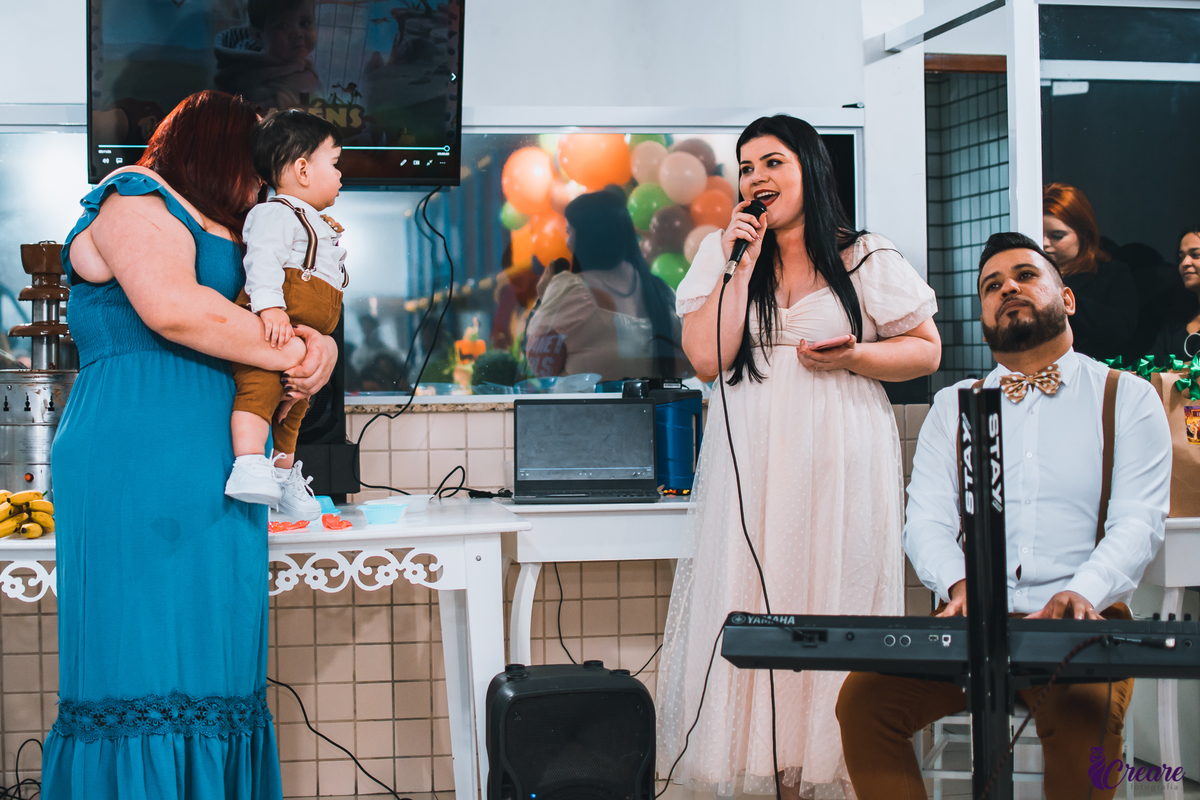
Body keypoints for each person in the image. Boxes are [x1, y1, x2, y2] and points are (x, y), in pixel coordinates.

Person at [43, 90, 337, 798]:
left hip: (221, 458)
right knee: (139, 657)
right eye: (255, 161)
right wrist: (297, 351)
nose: (265, 177)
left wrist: (316, 342)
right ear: (221, 150)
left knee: (218, 663)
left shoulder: (239, 230)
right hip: (137, 448)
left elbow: (270, 318)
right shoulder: (133, 198)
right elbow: (174, 309)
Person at [656, 114, 941, 798]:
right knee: (755, 596)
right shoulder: (724, 256)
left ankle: (827, 764)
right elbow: (704, 359)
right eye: (747, 167)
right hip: (752, 456)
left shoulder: (866, 255)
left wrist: (858, 355)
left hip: (842, 455)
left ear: (809, 169)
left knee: (832, 594)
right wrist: (737, 263)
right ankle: (764, 769)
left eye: (772, 163)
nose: (756, 179)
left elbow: (926, 350)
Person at [836, 232, 1171, 800]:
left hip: (1081, 631)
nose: (1008, 288)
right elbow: (928, 522)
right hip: (972, 626)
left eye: (1025, 275)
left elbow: (1138, 522)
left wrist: (1082, 593)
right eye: (992, 285)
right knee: (864, 703)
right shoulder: (953, 406)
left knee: (1083, 730)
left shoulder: (1128, 397)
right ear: (984, 318)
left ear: (1066, 299)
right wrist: (961, 584)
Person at [224, 109, 348, 518]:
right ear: (302, 169)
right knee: (258, 390)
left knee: (293, 406)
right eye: (335, 163)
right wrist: (271, 307)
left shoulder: (317, 221)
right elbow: (262, 260)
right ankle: (248, 465)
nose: (341, 173)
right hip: (273, 331)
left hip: (300, 338)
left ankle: (281, 474)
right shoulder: (275, 213)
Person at [524, 189, 683, 381]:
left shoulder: (571, 288)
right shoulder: (662, 292)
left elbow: (539, 365)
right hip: (655, 410)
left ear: (586, 236)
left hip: (589, 409)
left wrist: (544, 298)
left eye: (569, 231)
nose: (567, 243)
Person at [1042, 183, 1138, 359]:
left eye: (1057, 236)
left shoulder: (1112, 274)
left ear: (1084, 235)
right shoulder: (1026, 278)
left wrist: (1058, 289)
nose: (1044, 243)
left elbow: (1120, 333)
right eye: (1038, 234)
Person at [214, 0, 322, 112]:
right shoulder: (250, 80)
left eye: (305, 23)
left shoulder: (297, 60)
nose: (298, 34)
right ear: (258, 35)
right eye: (283, 26)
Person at [1152, 226, 1200, 359]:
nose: (1185, 263)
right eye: (1181, 258)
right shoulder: (1175, 322)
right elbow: (1151, 369)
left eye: (1195, 255)